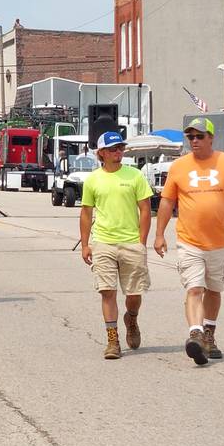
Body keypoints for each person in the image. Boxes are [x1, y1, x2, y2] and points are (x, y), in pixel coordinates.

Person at [154, 117, 224, 365]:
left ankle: (209, 335)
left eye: (199, 136)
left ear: (210, 138)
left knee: (214, 290)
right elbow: (167, 201)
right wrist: (159, 234)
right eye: (191, 137)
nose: (194, 141)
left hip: (220, 241)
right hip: (189, 241)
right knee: (195, 288)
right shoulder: (179, 166)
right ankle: (195, 334)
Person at [80, 131, 154, 360]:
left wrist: (142, 242)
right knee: (107, 291)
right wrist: (85, 244)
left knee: (134, 293)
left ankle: (131, 318)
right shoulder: (93, 179)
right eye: (112, 149)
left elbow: (145, 209)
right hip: (103, 242)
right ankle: (113, 340)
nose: (118, 153)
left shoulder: (135, 175)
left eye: (120, 148)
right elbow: (85, 213)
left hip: (131, 242)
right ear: (101, 153)